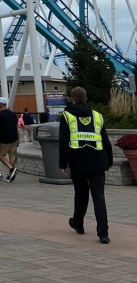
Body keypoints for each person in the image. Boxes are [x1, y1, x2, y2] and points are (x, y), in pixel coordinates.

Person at [60, 86, 112, 243]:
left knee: (81, 193)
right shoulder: (97, 116)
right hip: (98, 160)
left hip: (78, 161)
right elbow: (106, 141)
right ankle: (103, 233)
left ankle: (78, 223)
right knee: (99, 197)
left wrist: (62, 163)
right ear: (86, 98)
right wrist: (108, 161)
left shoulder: (67, 115)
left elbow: (63, 142)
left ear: (72, 98)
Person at [0, 96, 20, 181]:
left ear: (0, 104)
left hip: (4, 139)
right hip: (14, 138)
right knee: (12, 156)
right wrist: (18, 138)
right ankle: (10, 175)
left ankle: (11, 169)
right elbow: (16, 126)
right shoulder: (12, 114)